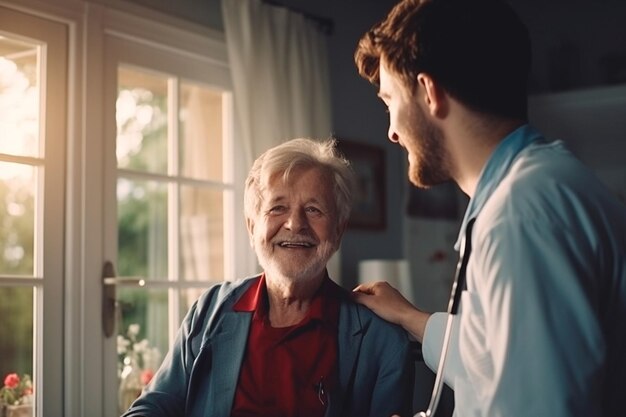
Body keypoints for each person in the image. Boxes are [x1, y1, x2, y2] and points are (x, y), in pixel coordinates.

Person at [351, 0, 626, 416]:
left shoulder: (522, 216)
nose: (391, 131)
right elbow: (493, 354)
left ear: (429, 93)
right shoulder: (538, 185)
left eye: (390, 101)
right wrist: (410, 317)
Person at [122, 137, 415, 417]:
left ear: (338, 230)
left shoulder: (382, 340)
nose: (295, 224)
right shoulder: (209, 308)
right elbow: (155, 405)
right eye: (278, 207)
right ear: (252, 228)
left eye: (313, 209)